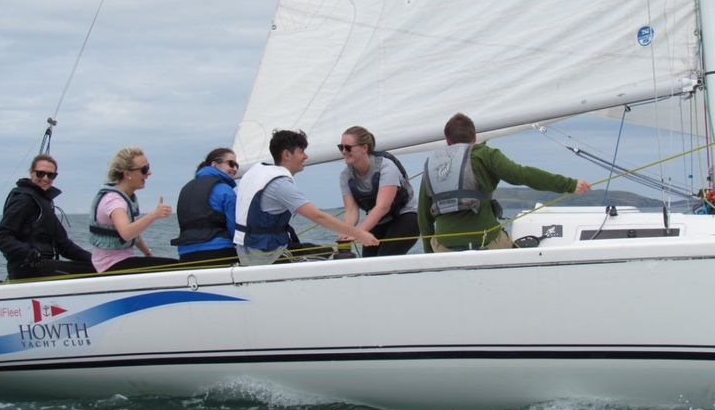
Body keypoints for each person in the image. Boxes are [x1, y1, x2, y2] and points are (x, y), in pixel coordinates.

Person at [418, 113, 591, 252]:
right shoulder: (485, 154)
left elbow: (423, 217)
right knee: (508, 241)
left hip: (445, 247)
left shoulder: (432, 164)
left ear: (447, 141)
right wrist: (569, 184)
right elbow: (523, 175)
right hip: (486, 243)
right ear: (475, 138)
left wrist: (429, 255)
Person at [235, 129, 379, 265]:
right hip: (267, 257)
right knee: (333, 260)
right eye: (301, 151)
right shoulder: (280, 184)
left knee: (325, 251)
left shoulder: (256, 173)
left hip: (248, 252)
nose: (306, 156)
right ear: (286, 155)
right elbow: (317, 216)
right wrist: (360, 234)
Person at [0, 154, 95, 280]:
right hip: (26, 267)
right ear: (31, 173)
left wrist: (95, 260)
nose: (45, 178)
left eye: (51, 175)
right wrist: (28, 253)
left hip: (44, 264)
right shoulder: (23, 199)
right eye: (40, 173)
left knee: (98, 267)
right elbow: (2, 237)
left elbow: (64, 245)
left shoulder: (44, 203)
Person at [89, 147, 177, 273]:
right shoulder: (114, 201)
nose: (149, 173)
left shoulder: (125, 197)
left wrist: (148, 254)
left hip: (122, 260)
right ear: (127, 174)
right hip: (110, 265)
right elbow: (126, 233)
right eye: (144, 169)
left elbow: (135, 234)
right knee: (176, 267)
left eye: (148, 167)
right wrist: (154, 214)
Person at [337, 126, 419, 257]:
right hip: (380, 220)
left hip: (406, 215)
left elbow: (382, 207)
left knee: (385, 257)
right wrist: (348, 232)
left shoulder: (387, 167)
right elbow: (351, 210)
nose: (344, 152)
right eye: (341, 147)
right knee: (369, 262)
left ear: (364, 148)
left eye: (348, 148)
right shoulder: (345, 175)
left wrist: (358, 233)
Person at [171, 148, 239, 266]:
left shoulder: (186, 188)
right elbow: (234, 227)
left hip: (186, 254)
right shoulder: (224, 189)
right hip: (218, 252)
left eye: (236, 165)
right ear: (214, 164)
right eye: (231, 164)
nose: (235, 169)